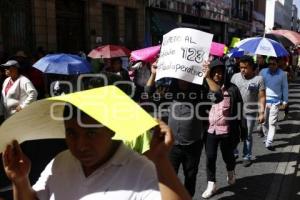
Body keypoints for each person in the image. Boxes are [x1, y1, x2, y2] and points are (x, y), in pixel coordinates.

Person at [2, 104, 191, 200]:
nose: (80, 145)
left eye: (91, 133)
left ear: (112, 129)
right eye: (71, 133)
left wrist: (161, 161)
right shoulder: (61, 161)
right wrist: (20, 181)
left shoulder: (142, 170)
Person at [145, 61, 220, 197]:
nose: (182, 80)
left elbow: (217, 97)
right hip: (172, 145)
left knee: (190, 177)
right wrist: (153, 74)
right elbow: (148, 93)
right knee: (168, 177)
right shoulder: (169, 90)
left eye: (186, 76)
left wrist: (208, 77)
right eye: (180, 76)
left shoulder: (199, 91)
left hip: (193, 144)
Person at [201, 60, 244, 198]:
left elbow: (239, 110)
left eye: (221, 72)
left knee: (228, 157)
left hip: (227, 131)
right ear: (211, 73)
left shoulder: (232, 89)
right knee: (210, 157)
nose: (218, 75)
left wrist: (243, 130)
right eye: (215, 72)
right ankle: (211, 184)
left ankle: (231, 171)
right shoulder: (204, 88)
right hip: (210, 130)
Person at [231, 55, 266, 167]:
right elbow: (228, 92)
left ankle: (247, 156)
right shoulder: (235, 77)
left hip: (250, 112)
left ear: (252, 68)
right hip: (235, 111)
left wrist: (261, 113)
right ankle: (234, 151)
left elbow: (262, 97)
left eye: (245, 67)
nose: (242, 70)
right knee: (233, 133)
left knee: (248, 135)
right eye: (241, 67)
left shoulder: (258, 79)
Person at [259, 57, 288, 150]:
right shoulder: (263, 71)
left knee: (272, 123)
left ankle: (269, 142)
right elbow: (258, 83)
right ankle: (267, 137)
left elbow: (285, 88)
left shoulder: (282, 74)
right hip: (264, 101)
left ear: (277, 64)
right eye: (270, 64)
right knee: (263, 122)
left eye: (274, 64)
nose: (271, 66)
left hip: (275, 102)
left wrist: (285, 101)